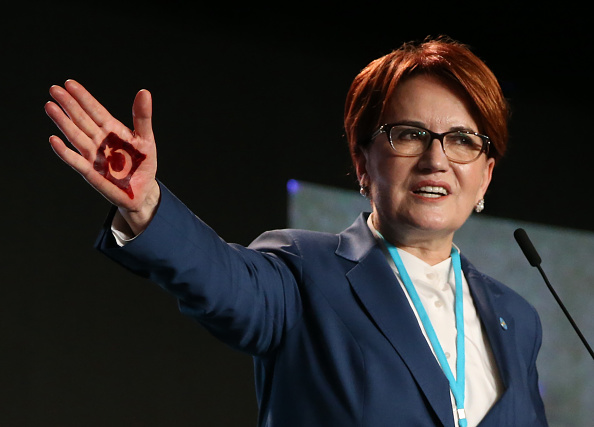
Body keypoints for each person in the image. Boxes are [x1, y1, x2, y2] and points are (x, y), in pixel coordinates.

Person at [45, 37, 548, 426]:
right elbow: (220, 282)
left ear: (485, 175)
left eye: (462, 140)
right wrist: (148, 203)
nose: (436, 160)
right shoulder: (305, 271)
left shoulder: (517, 319)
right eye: (409, 135)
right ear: (363, 162)